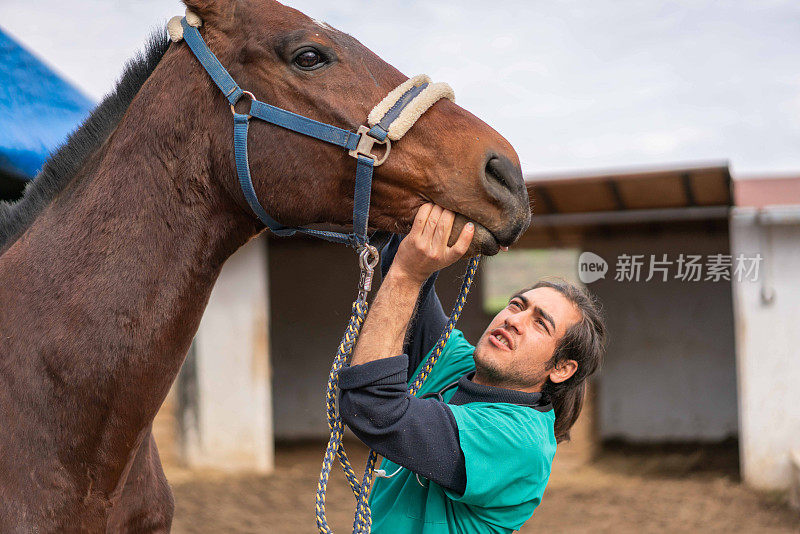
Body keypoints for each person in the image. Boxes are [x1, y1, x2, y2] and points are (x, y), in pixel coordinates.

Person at [338, 203, 607, 533]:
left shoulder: (518, 442)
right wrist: (457, 209)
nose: (514, 320)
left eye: (540, 324)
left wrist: (407, 276)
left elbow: (372, 408)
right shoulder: (458, 364)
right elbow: (402, 249)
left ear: (562, 369)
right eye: (517, 305)